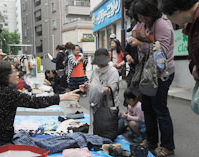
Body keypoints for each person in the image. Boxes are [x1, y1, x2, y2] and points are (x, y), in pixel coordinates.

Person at [0, 61, 80, 156]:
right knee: (40, 146)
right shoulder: (7, 94)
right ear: (4, 75)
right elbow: (35, 102)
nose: (17, 74)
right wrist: (63, 97)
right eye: (14, 71)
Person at [129, 0, 175, 156]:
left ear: (150, 12)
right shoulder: (143, 24)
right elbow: (133, 32)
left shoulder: (162, 24)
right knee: (147, 108)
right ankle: (151, 141)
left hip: (162, 73)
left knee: (160, 109)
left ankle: (168, 147)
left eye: (143, 16)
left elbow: (161, 51)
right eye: (138, 17)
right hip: (147, 73)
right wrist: (133, 38)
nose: (141, 20)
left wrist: (140, 43)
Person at [161, 1, 199, 113]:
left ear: (176, 11)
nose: (168, 19)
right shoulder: (192, 23)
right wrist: (194, 66)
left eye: (168, 16)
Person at [80, 48, 120, 134]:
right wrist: (87, 87)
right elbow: (91, 85)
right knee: (97, 126)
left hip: (109, 105)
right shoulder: (95, 71)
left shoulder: (113, 71)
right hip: (96, 104)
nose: (100, 65)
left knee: (107, 128)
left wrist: (94, 87)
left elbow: (110, 90)